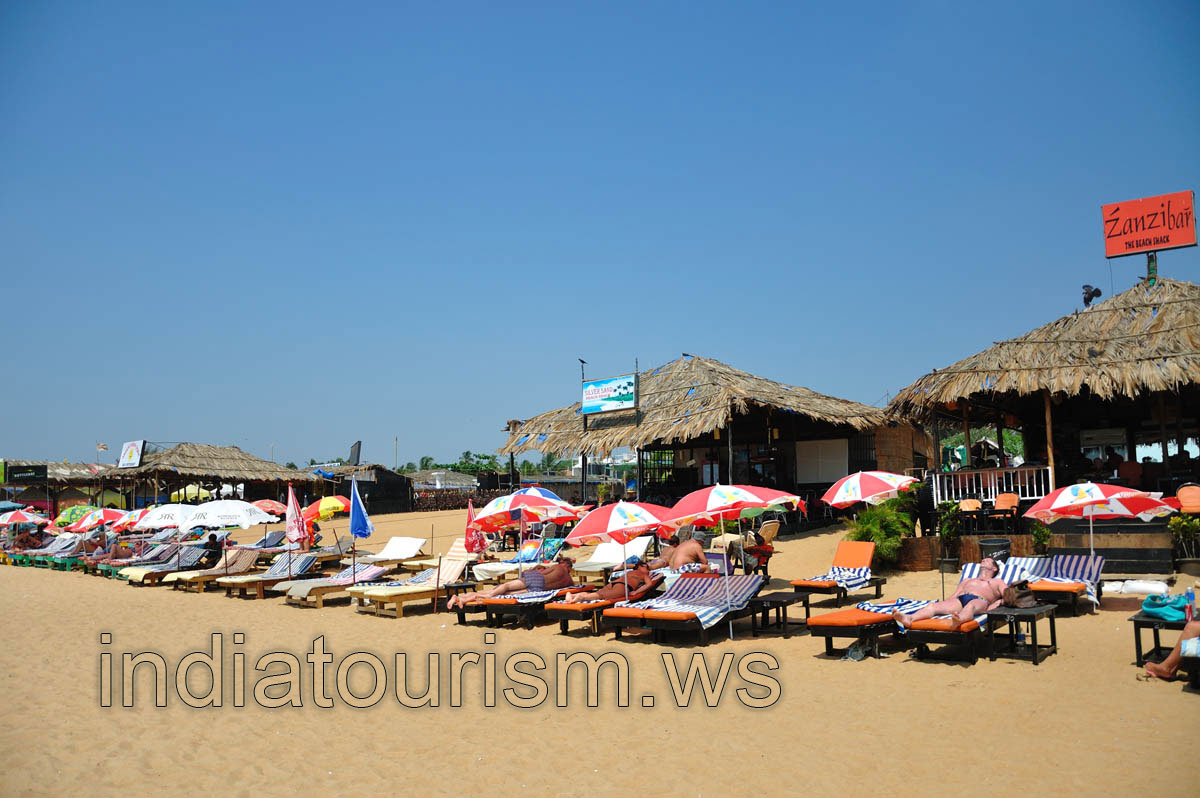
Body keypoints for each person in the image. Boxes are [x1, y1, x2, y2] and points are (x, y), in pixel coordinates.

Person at [893, 556, 1007, 630]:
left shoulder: (997, 582)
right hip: (961, 599)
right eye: (983, 559)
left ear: (994, 568)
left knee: (970, 606)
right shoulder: (968, 580)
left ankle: (958, 621)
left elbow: (1007, 595)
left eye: (987, 560)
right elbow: (955, 594)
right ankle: (910, 618)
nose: (983, 560)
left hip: (979, 600)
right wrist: (943, 603)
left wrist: (996, 604)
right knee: (933, 606)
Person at [446, 559, 573, 609]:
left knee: (504, 587)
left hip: (537, 579)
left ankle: (460, 597)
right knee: (506, 593)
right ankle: (464, 598)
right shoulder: (569, 580)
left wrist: (538, 567)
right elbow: (571, 587)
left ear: (564, 563)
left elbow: (541, 571)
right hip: (539, 588)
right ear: (570, 568)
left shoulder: (558, 566)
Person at [560, 558, 654, 603]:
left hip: (614, 583)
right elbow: (649, 584)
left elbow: (628, 565)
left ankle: (572, 595)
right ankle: (581, 597)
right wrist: (636, 592)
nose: (649, 570)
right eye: (647, 567)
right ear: (641, 566)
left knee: (599, 593)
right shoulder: (643, 574)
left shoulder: (631, 572)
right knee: (600, 596)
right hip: (623, 587)